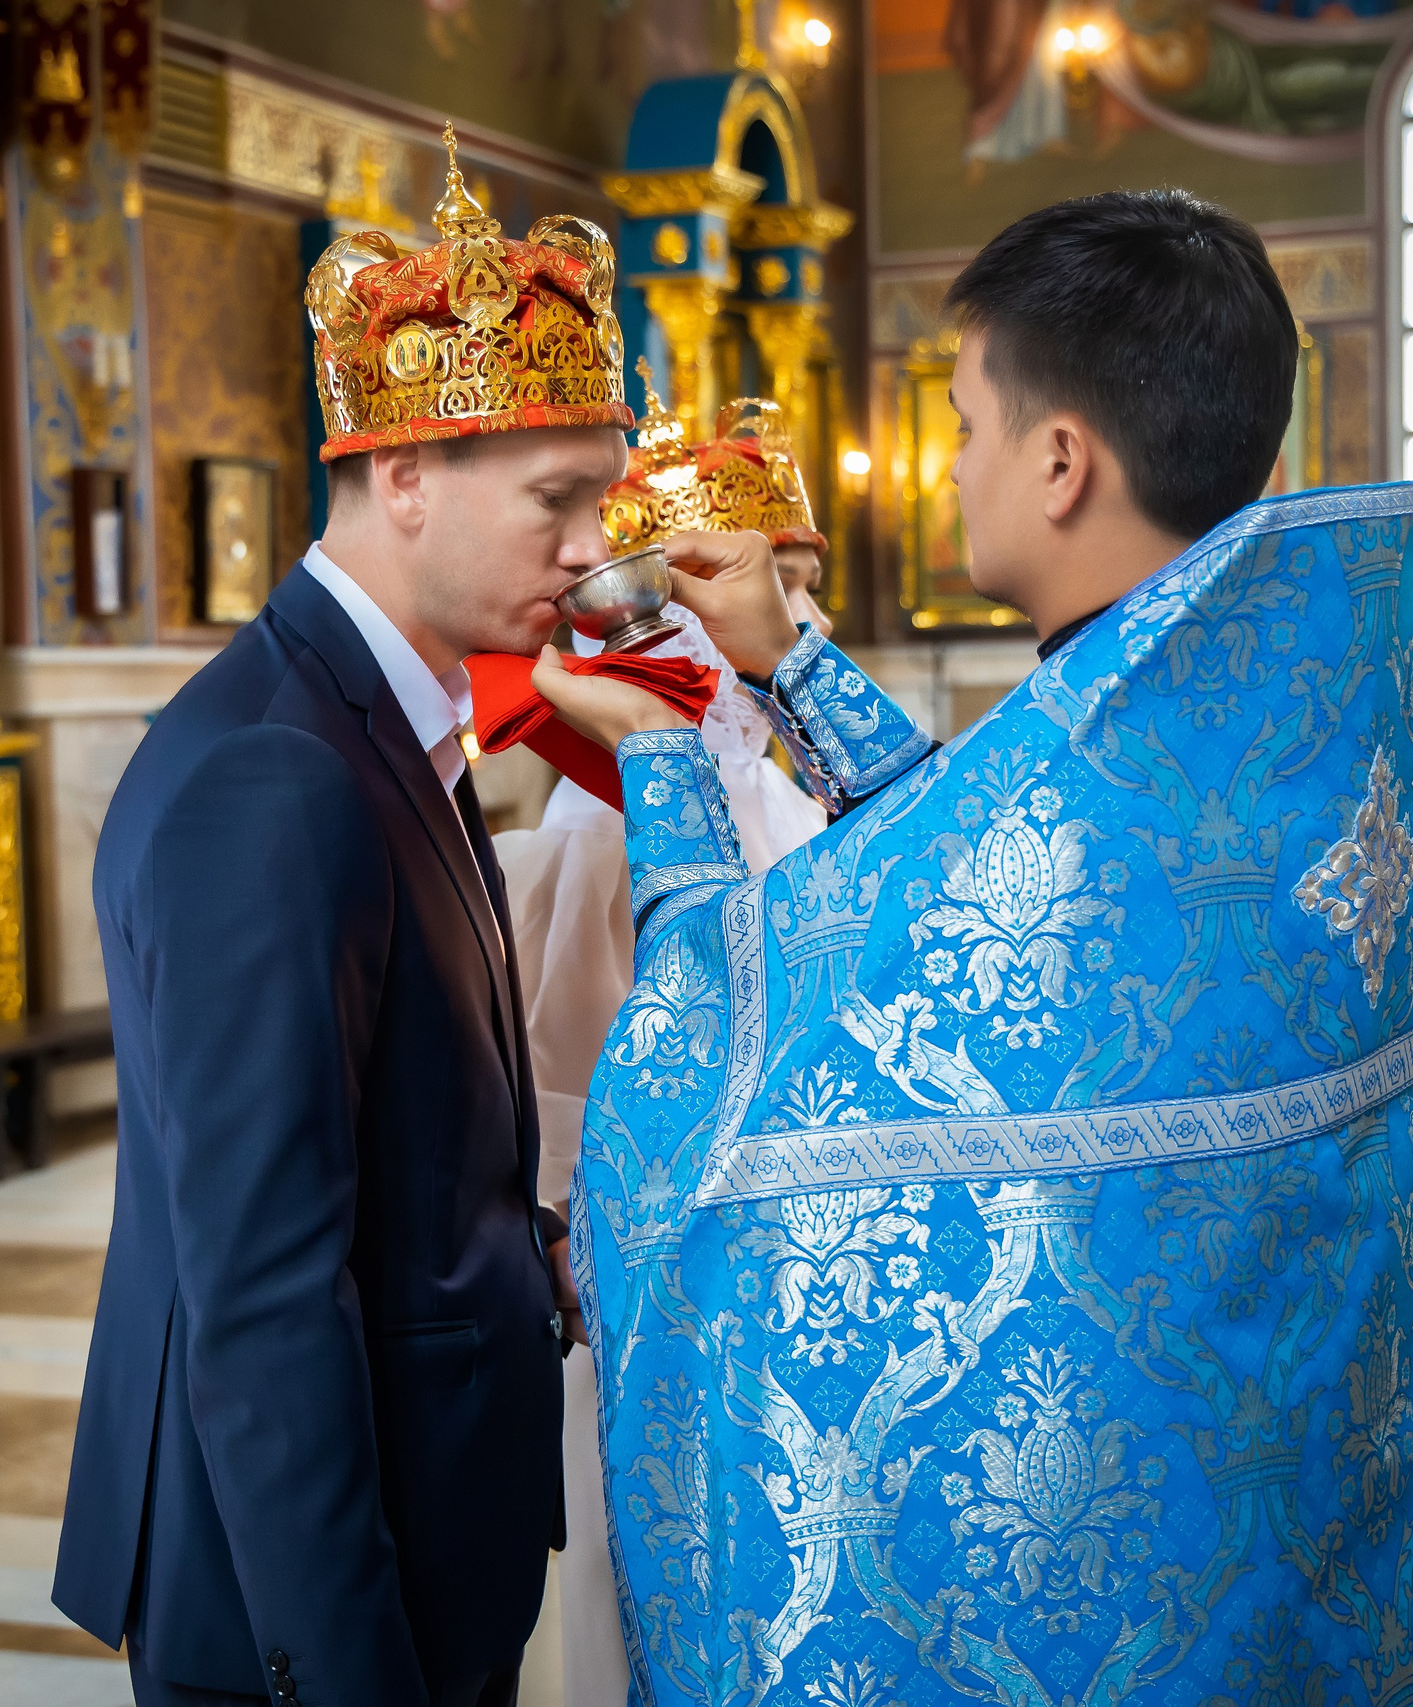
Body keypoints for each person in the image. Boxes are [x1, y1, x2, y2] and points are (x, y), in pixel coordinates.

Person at [535, 190, 1413, 1704]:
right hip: (1287, 1570)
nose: (952, 461)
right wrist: (792, 666)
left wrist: (661, 753)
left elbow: (717, 1047)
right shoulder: (1284, 734)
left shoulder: (1095, 771)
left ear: (1059, 462)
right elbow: (988, 874)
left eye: (965, 422)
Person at [52, 132, 634, 1707]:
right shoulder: (277, 775)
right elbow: (260, 1289)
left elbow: (411, 1154)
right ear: (402, 479)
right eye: (558, 502)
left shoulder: (382, 722)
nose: (594, 555)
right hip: (317, 1601)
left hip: (429, 1525)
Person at [493, 379, 831, 1707]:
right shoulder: (598, 834)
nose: (799, 624)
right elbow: (580, 1097)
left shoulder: (791, 801)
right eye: (768, 588)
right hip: (648, 1290)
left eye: (801, 585)